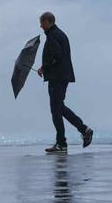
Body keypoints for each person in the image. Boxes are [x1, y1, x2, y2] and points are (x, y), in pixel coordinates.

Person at [36, 12, 92, 153]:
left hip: (58, 78)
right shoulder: (56, 34)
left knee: (57, 109)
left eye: (42, 22)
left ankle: (77, 133)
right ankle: (66, 140)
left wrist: (44, 67)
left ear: (49, 22)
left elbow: (57, 57)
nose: (40, 25)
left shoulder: (54, 35)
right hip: (60, 76)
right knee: (58, 109)